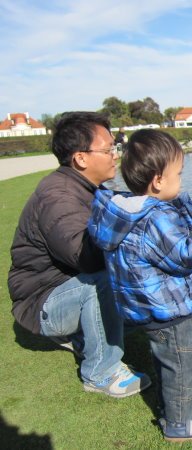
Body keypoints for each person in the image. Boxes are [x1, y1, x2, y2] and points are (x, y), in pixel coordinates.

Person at [87, 129, 192, 442]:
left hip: (147, 307)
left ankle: (175, 402)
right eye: (178, 173)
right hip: (168, 309)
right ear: (158, 181)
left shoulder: (128, 210)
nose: (181, 179)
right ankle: (179, 421)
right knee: (182, 363)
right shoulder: (153, 219)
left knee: (167, 359)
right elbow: (186, 255)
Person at [8, 111, 151, 398]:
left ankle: (83, 334)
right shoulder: (58, 197)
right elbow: (85, 258)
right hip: (42, 302)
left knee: (127, 279)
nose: (115, 155)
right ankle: (100, 372)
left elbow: (119, 207)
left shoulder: (86, 187)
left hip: (62, 290)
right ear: (81, 158)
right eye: (109, 149)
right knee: (102, 279)